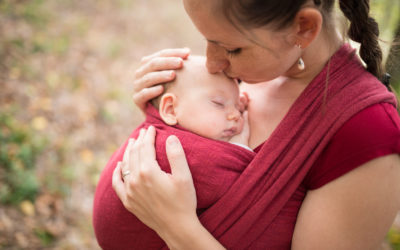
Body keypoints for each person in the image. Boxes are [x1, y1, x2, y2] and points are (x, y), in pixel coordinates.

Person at [109, 0, 400, 249]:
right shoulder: (235, 77)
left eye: (232, 49)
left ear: (303, 28)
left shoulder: (367, 133)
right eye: (206, 39)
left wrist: (176, 227)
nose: (211, 63)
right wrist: (158, 118)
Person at [93, 56, 254, 249]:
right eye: (219, 103)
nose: (235, 115)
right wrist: (240, 146)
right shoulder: (175, 147)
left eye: (238, 106)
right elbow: (231, 183)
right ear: (170, 109)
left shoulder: (165, 128)